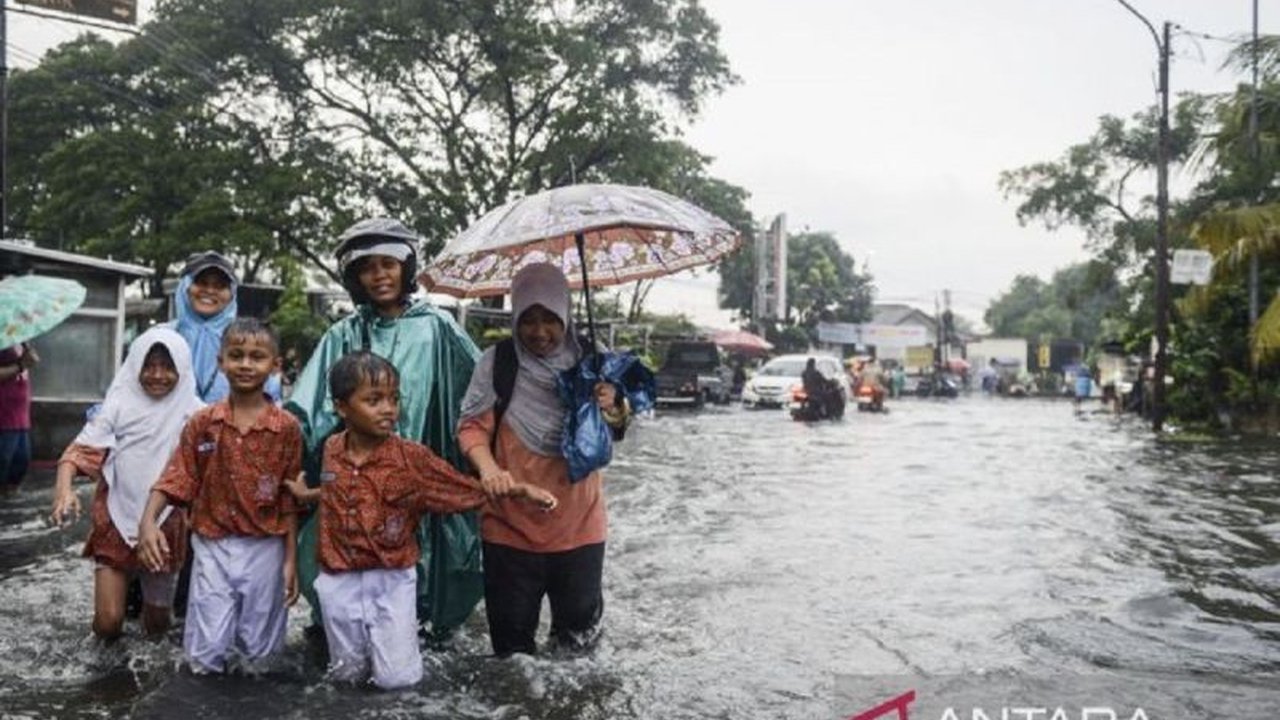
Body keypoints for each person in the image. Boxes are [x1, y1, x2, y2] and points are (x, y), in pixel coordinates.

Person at [283, 351, 556, 688]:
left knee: (397, 679)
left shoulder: (411, 458)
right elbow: (336, 492)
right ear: (341, 407)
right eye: (374, 400)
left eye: (394, 399)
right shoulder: (332, 449)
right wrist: (305, 495)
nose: (388, 409)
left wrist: (519, 491)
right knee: (346, 674)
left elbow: (460, 489)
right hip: (338, 579)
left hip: (391, 579)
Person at [286, 218, 483, 638]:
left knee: (420, 576)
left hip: (418, 473)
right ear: (355, 276)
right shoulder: (344, 333)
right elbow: (310, 410)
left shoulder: (438, 327)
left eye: (388, 264)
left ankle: (422, 633)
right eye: (368, 267)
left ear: (406, 268)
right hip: (356, 477)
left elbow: (479, 391)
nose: (379, 275)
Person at [457, 262, 631, 657]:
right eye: (528, 320)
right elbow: (470, 428)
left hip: (580, 525)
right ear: (515, 317)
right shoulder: (497, 363)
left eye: (550, 319)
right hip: (508, 525)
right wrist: (490, 470)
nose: (539, 332)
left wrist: (613, 403)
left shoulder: (594, 360)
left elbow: (618, 428)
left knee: (578, 650)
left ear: (567, 315)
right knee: (511, 653)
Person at [137, 318, 302, 673]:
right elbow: (177, 475)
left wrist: (291, 561)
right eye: (236, 355)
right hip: (213, 545)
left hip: (266, 548)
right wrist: (148, 520)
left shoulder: (286, 428)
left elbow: (289, 499)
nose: (245, 364)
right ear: (220, 362)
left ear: (275, 366)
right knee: (204, 652)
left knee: (260, 656)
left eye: (257, 357)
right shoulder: (203, 422)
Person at [49, 328, 203, 640]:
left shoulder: (197, 415)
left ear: (182, 368)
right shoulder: (117, 406)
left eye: (167, 366)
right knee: (108, 622)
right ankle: (103, 676)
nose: (157, 375)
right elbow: (76, 454)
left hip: (165, 524)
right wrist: (64, 491)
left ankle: (146, 684)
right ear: (134, 366)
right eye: (148, 366)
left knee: (157, 626)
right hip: (115, 519)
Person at [170, 251, 282, 404]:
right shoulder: (161, 336)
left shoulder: (250, 339)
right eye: (202, 282)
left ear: (232, 294)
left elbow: (270, 398)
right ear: (185, 286)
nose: (209, 291)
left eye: (220, 286)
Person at [0, 342, 38, 495]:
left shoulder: (20, 340)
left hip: (20, 414)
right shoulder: (3, 340)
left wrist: (29, 352)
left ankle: (8, 497)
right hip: (4, 415)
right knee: (3, 461)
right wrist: (21, 365)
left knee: (21, 461)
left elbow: (28, 362)